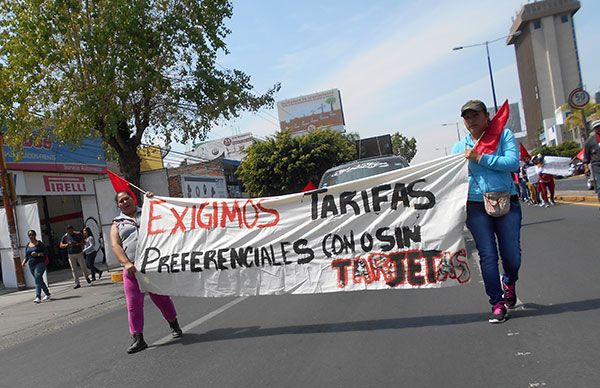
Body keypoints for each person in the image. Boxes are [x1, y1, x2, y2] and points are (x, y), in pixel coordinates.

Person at [451, 100, 522, 324]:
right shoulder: (459, 147)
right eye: (466, 117)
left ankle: (509, 282)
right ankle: (497, 303)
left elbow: (512, 163)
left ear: (486, 116)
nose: (471, 121)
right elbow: (452, 178)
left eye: (475, 116)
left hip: (505, 201)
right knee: (488, 255)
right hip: (475, 206)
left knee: (512, 255)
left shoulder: (504, 136)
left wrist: (480, 158)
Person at [111, 190, 183, 354]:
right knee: (133, 304)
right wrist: (126, 263)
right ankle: (138, 338)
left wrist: (155, 200)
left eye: (127, 198)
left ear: (133, 198)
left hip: (151, 266)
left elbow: (170, 217)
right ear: (118, 205)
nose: (125, 202)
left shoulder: (149, 211)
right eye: (121, 201)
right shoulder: (117, 223)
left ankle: (173, 323)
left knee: (162, 299)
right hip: (132, 268)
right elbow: (115, 245)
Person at [23, 230, 51, 303]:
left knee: (37, 277)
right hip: (31, 265)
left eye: (32, 235)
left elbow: (46, 253)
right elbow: (27, 256)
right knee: (39, 280)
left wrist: (38, 254)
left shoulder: (40, 244)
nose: (31, 236)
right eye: (29, 235)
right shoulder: (28, 245)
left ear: (35, 235)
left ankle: (38, 297)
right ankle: (47, 294)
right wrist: (24, 261)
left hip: (40, 263)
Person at [583, 119, 600, 203]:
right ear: (594, 129)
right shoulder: (590, 141)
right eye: (597, 127)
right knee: (599, 185)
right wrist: (586, 168)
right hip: (597, 165)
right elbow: (586, 156)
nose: (599, 128)